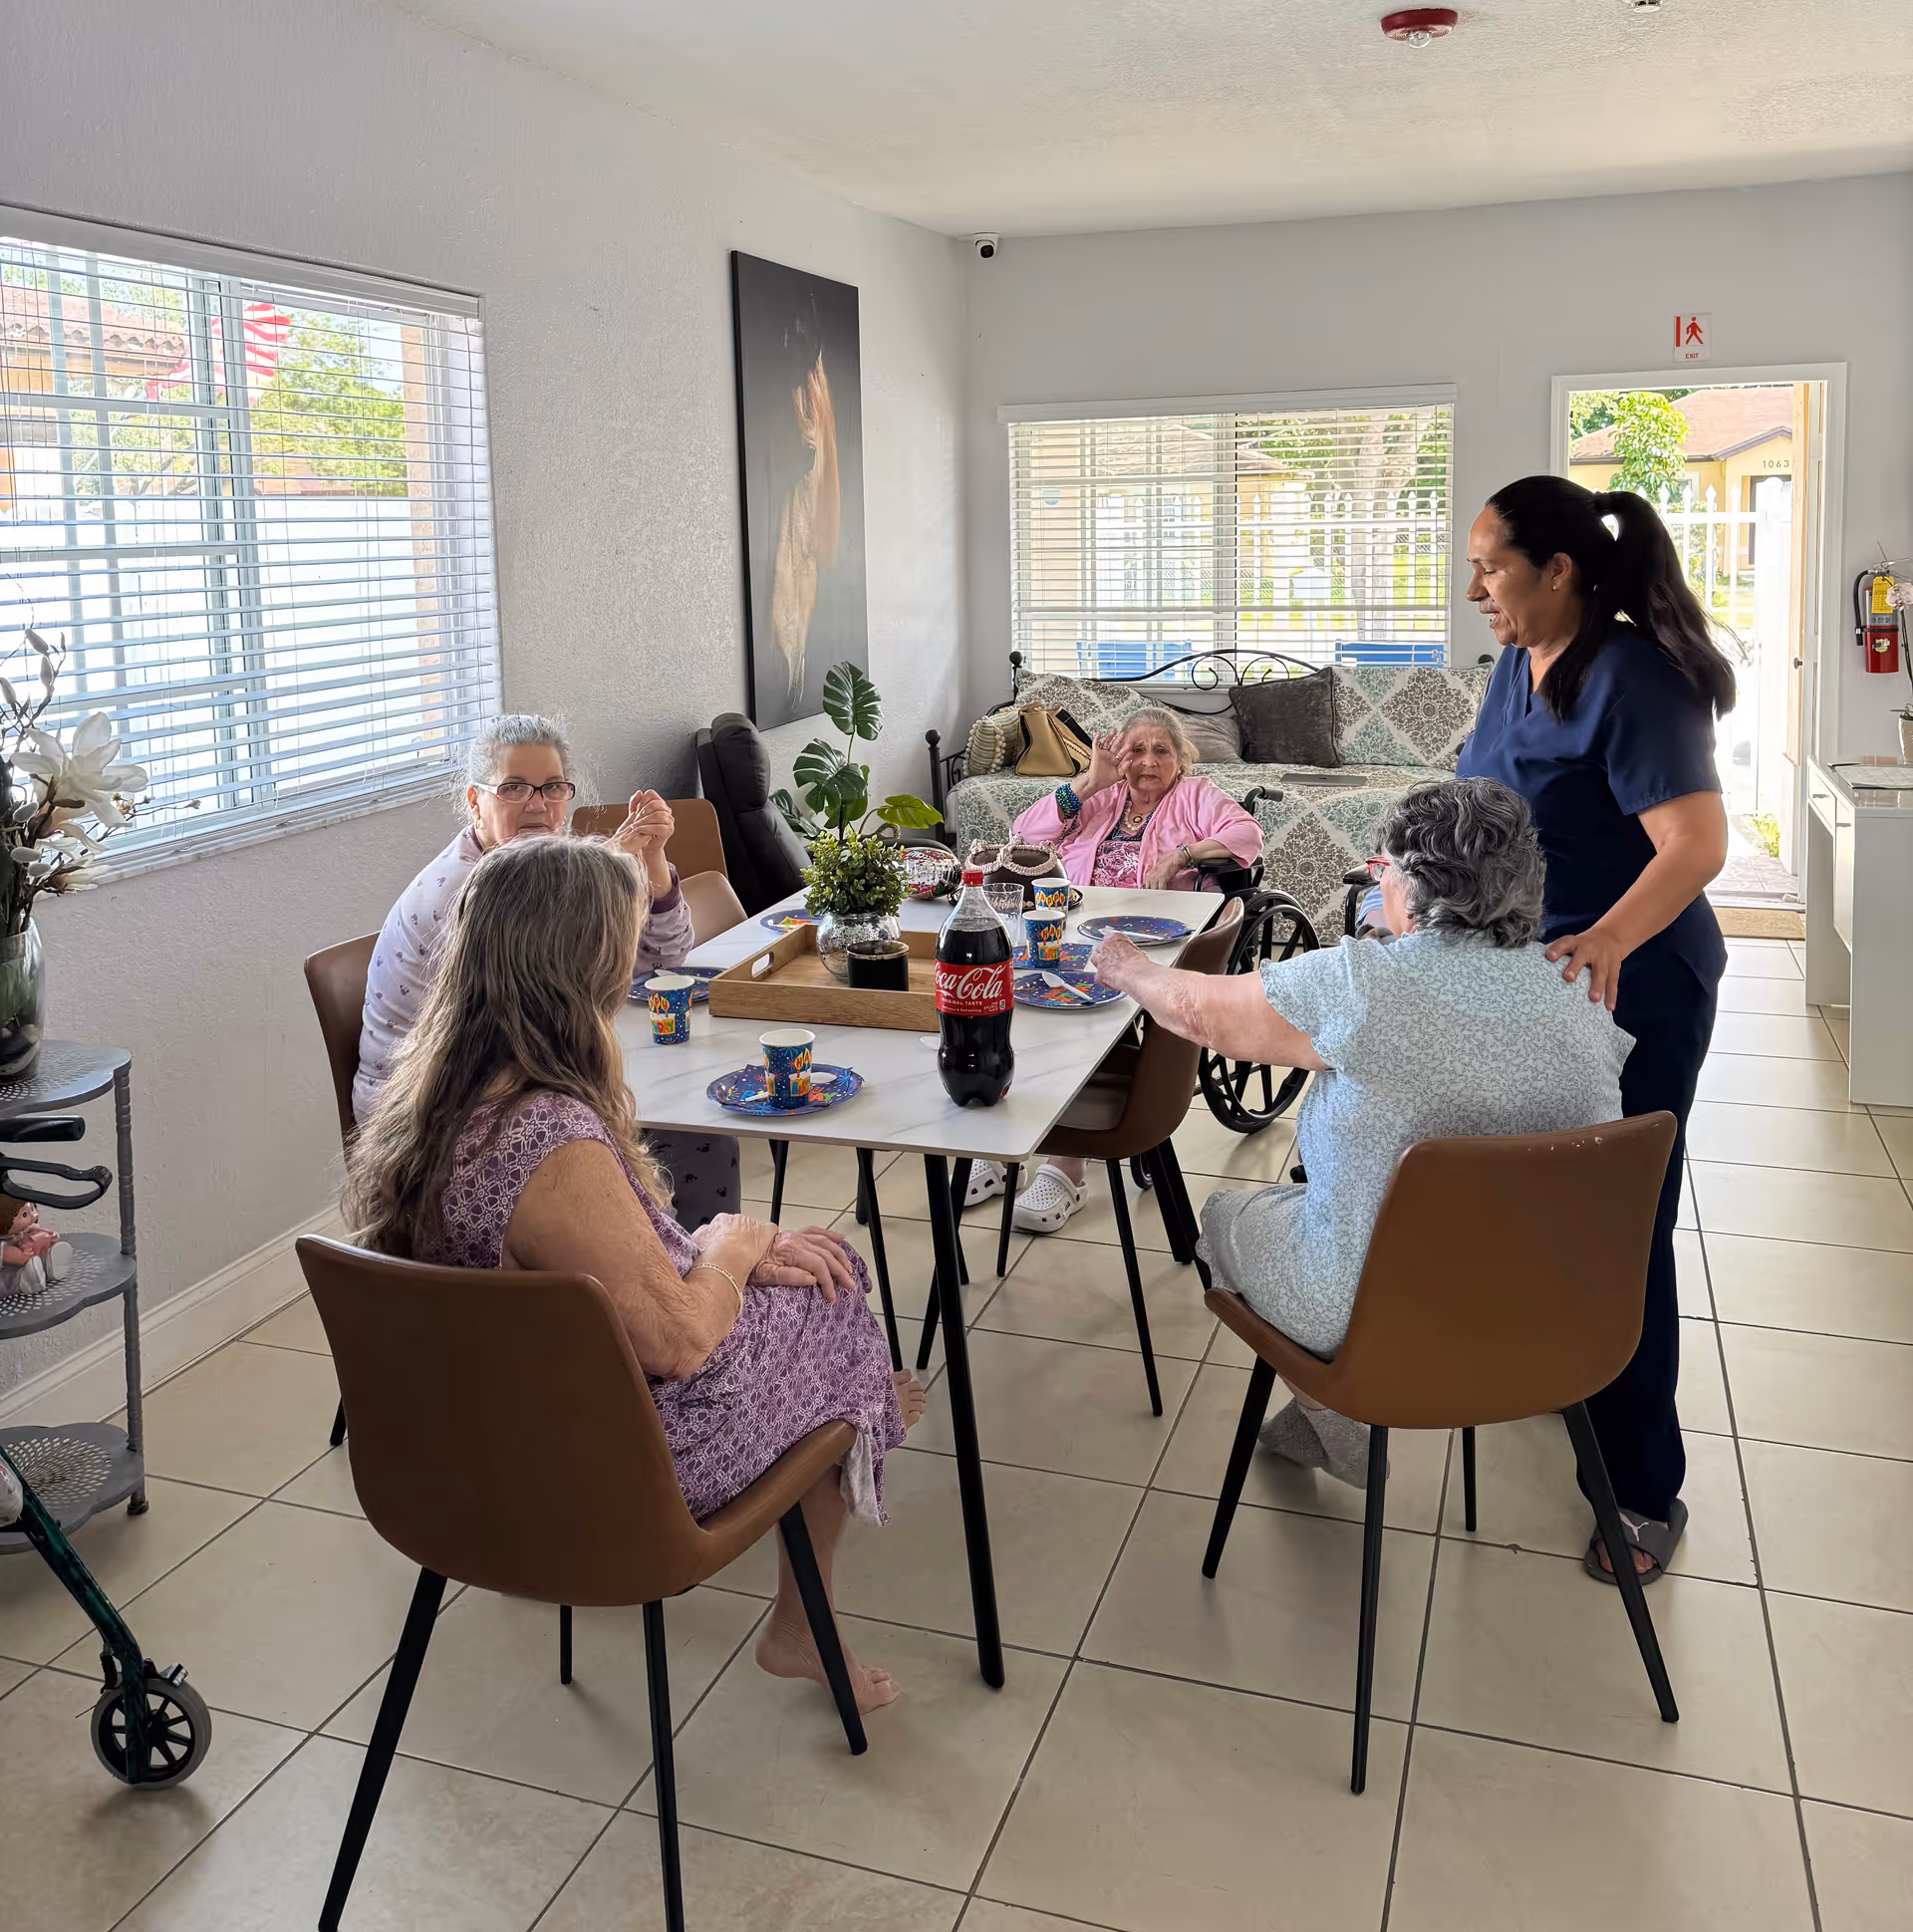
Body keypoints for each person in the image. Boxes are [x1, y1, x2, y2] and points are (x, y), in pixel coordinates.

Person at [343, 835, 926, 1714]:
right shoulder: (547, 1138)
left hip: (459, 1456)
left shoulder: (431, 1097)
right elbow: (682, 1342)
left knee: (786, 1275)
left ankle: (857, 1405)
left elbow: (588, 1275)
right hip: (602, 1469)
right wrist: (734, 1239)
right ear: (581, 962)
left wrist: (722, 1258)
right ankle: (815, 1576)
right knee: (835, 1285)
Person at [1088, 777, 1626, 1485]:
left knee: (1222, 1216)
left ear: (1406, 880)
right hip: (1558, 1315)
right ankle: (1318, 1423)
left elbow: (1196, 1013)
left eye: (1385, 870)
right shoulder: (1579, 986)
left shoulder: (1359, 984)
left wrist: (1126, 966)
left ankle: (1338, 1421)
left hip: (1379, 1320)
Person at [1455, 475, 1733, 1584]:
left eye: (1492, 566)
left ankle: (1641, 1487)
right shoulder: (1517, 665)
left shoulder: (1631, 677)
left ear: (1559, 569)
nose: (1475, 587)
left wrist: (1607, 940)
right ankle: (1569, 1375)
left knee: (1621, 1228)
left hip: (1638, 993)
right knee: (1543, 1204)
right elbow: (1483, 802)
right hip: (1537, 985)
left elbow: (1697, 845)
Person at [354, 712, 739, 1232]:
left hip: (505, 1078)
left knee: (692, 1128)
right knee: (691, 1138)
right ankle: (673, 1283)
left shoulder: (539, 873)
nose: (538, 804)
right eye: (514, 788)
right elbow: (548, 1018)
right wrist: (607, 877)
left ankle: (675, 1274)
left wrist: (649, 860)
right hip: (433, 1116)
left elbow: (662, 967)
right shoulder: (476, 892)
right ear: (475, 801)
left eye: (552, 786)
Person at [969, 705, 1264, 1235]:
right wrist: (1086, 784)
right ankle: (1001, 1148)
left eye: (1161, 750)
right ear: (1118, 757)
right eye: (1135, 750)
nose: (1148, 761)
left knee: (1077, 1016)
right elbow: (1025, 834)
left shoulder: (1197, 796)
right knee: (1022, 994)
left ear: (1181, 758)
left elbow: (1246, 836)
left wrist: (1180, 855)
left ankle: (1068, 1167)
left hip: (1161, 937)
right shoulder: (1102, 798)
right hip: (1078, 927)